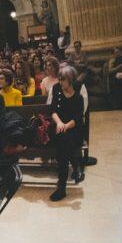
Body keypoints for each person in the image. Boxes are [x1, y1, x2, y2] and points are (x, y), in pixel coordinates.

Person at [48, 66, 85, 202]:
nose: (59, 81)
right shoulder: (57, 90)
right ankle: (75, 165)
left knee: (63, 144)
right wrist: (59, 123)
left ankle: (61, 187)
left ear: (70, 80)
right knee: (63, 141)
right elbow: (52, 110)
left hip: (73, 130)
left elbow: (77, 118)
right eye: (59, 78)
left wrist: (65, 126)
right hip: (58, 128)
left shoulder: (78, 97)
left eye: (62, 79)